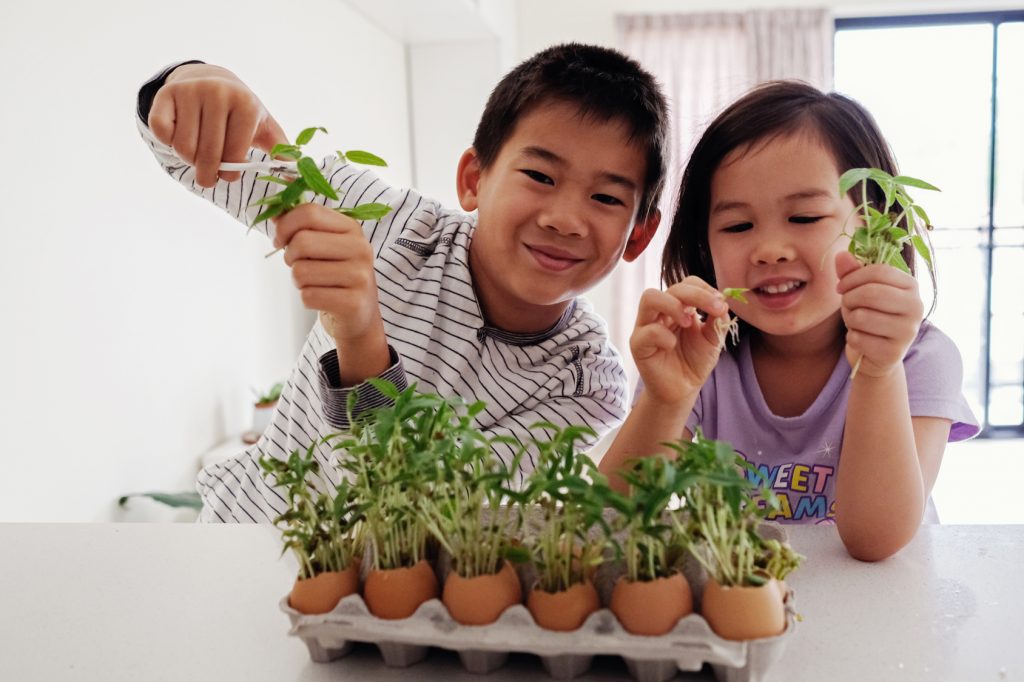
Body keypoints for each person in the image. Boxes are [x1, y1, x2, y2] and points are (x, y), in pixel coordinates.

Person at [136, 44, 668, 523]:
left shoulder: (586, 384)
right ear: (473, 180)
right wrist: (191, 84)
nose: (565, 219)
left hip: (389, 604)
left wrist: (361, 337)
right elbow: (202, 161)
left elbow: (414, 510)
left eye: (606, 198)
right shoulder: (386, 221)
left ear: (638, 234)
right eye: (540, 176)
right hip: (239, 541)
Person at [598, 80, 978, 562]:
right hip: (741, 608)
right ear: (704, 246)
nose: (770, 249)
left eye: (804, 218)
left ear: (872, 226)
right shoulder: (702, 357)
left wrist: (879, 370)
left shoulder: (920, 357)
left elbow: (874, 541)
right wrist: (667, 398)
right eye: (737, 226)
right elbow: (611, 517)